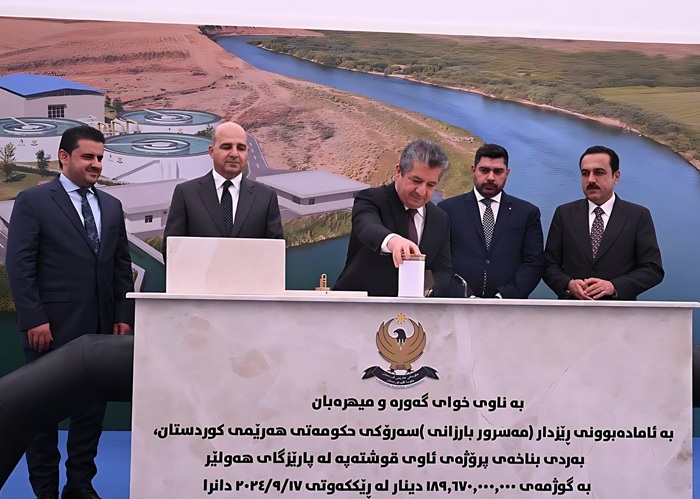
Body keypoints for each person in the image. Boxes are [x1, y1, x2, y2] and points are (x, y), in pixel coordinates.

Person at [6, 125, 135, 499]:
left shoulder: (111, 206)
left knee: (90, 415)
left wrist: (122, 314)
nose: (96, 164)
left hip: (100, 331)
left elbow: (120, 266)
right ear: (64, 157)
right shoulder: (33, 201)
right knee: (41, 417)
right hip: (48, 328)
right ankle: (45, 491)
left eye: (100, 157)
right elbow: (20, 265)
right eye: (88, 156)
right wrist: (34, 319)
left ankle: (79, 486)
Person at [334, 139, 453, 296]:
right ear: (398, 172)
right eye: (416, 181)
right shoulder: (371, 199)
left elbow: (443, 269)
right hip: (357, 305)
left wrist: (428, 289)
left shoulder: (440, 218)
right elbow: (366, 226)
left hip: (412, 310)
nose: (421, 191)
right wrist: (393, 241)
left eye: (430, 185)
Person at [543, 145, 663, 300]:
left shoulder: (638, 215)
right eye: (585, 173)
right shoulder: (564, 213)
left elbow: (652, 269)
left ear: (616, 176)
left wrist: (614, 287)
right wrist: (568, 284)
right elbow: (548, 265)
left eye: (599, 172)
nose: (590, 180)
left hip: (619, 310)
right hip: (573, 309)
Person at [438, 143, 543, 298]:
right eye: (484, 170)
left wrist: (502, 298)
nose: (491, 178)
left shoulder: (527, 213)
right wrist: (466, 297)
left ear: (507, 173)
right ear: (473, 170)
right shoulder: (447, 210)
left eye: (498, 171)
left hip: (508, 306)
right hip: (457, 304)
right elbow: (440, 261)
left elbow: (533, 263)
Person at [163, 121, 283, 253]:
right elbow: (171, 251)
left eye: (241, 148)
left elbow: (275, 253)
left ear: (247, 153)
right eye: (227, 147)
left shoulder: (265, 197)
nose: (234, 154)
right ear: (211, 151)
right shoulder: (186, 194)